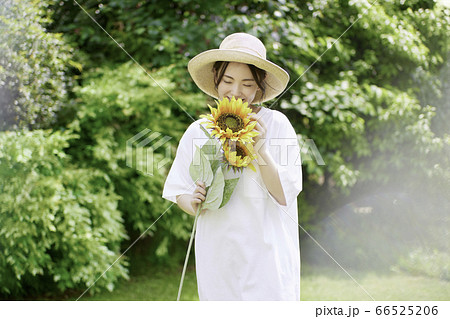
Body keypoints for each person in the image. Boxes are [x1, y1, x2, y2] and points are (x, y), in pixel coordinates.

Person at [162, 33, 303, 301]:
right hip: (218, 255)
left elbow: (284, 193)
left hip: (267, 257)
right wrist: (191, 201)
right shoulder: (199, 130)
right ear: (216, 78)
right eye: (228, 81)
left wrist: (260, 148)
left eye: (247, 84)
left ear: (259, 87)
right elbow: (178, 188)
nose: (236, 91)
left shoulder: (277, 125)